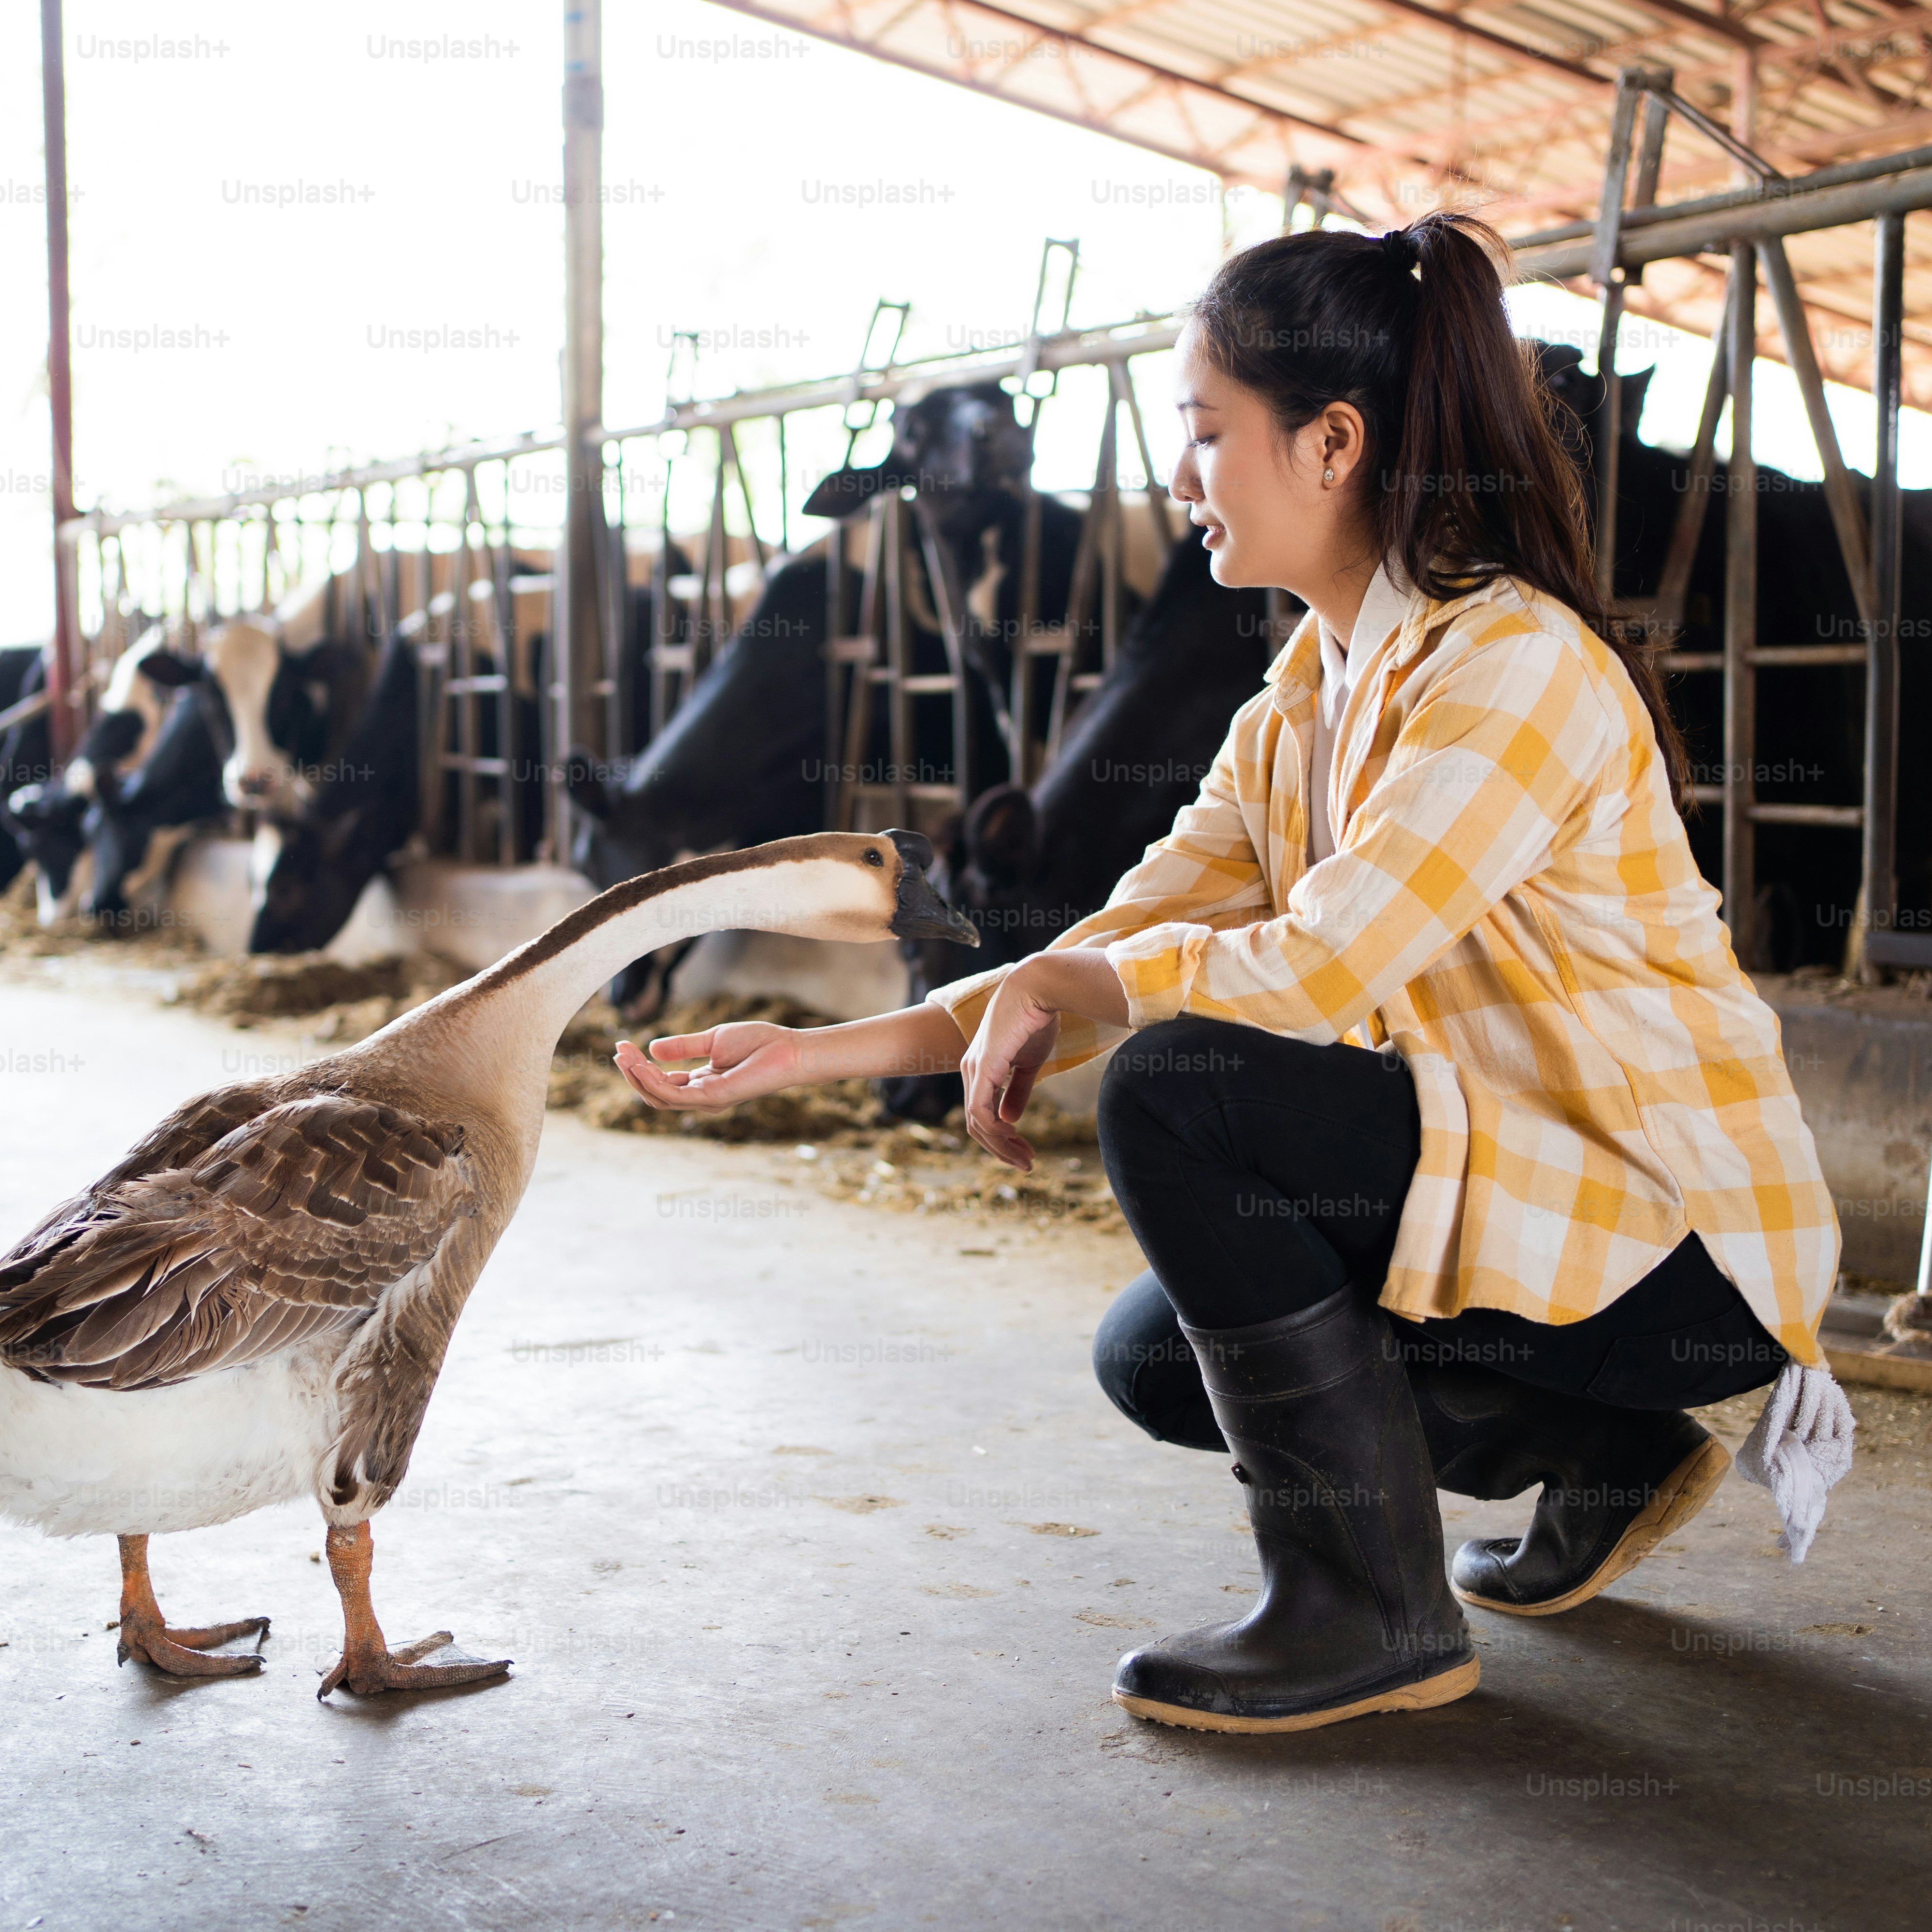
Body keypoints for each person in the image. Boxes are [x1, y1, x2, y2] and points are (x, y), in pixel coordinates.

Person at [612, 212, 1855, 1736]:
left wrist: (1088, 1000)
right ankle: (1615, 1455)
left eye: (1205, 436)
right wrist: (820, 1053)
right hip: (1535, 1200)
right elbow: (1127, 933)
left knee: (1180, 1086)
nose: (1181, 482)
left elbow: (1320, 966)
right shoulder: (1303, 696)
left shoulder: (1513, 665)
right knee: (1154, 1359)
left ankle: (1369, 1611)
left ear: (1332, 444)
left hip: (1682, 1240)